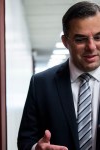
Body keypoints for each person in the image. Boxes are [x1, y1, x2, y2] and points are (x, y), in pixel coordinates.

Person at [17, 1, 100, 150]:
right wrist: (36, 148)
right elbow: (25, 141)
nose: (91, 47)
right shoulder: (41, 83)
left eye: (98, 37)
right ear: (65, 42)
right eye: (80, 39)